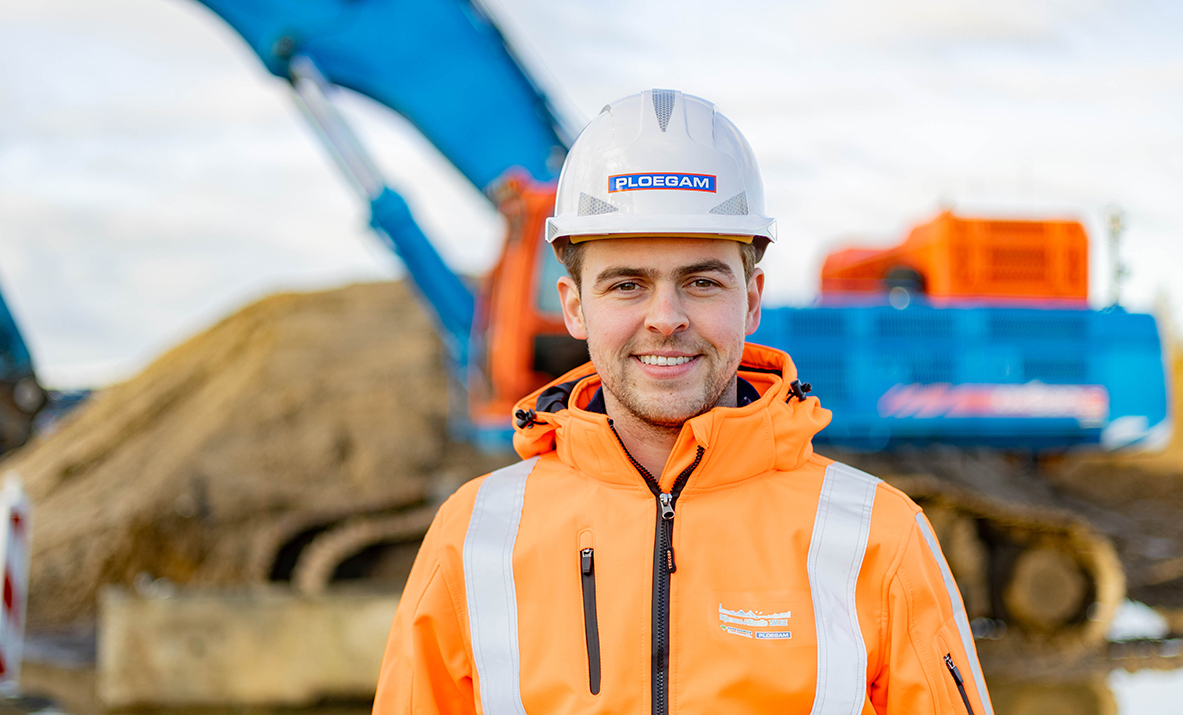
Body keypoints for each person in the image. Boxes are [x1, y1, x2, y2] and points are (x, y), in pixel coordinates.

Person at [373, 89, 993, 715]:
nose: (665, 319)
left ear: (751, 299)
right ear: (574, 305)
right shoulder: (473, 536)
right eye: (626, 284)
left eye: (700, 282)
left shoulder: (877, 538)